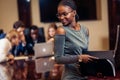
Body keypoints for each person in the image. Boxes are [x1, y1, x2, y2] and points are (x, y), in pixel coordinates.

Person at [54, 0, 98, 80]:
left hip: (85, 76)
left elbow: (85, 53)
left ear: (74, 13)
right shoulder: (61, 30)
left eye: (64, 14)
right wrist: (79, 57)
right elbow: (58, 59)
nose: (61, 18)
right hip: (70, 77)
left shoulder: (85, 30)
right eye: (59, 15)